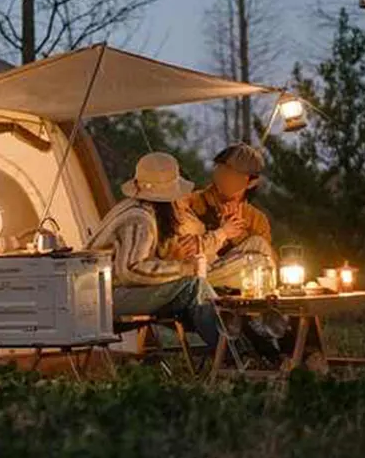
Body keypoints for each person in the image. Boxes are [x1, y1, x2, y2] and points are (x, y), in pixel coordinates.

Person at [87, 152, 223, 352]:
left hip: (102, 295)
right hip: (104, 299)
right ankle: (230, 349)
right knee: (192, 287)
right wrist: (183, 268)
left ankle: (228, 346)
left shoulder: (136, 209)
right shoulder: (140, 219)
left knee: (193, 289)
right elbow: (131, 270)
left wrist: (171, 258)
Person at [179, 142, 277, 291]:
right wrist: (221, 231)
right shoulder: (191, 202)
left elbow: (271, 262)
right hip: (197, 270)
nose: (224, 177)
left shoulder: (256, 218)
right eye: (221, 170)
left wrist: (236, 234)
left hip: (239, 280)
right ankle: (197, 282)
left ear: (251, 182)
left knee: (260, 247)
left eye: (233, 174)